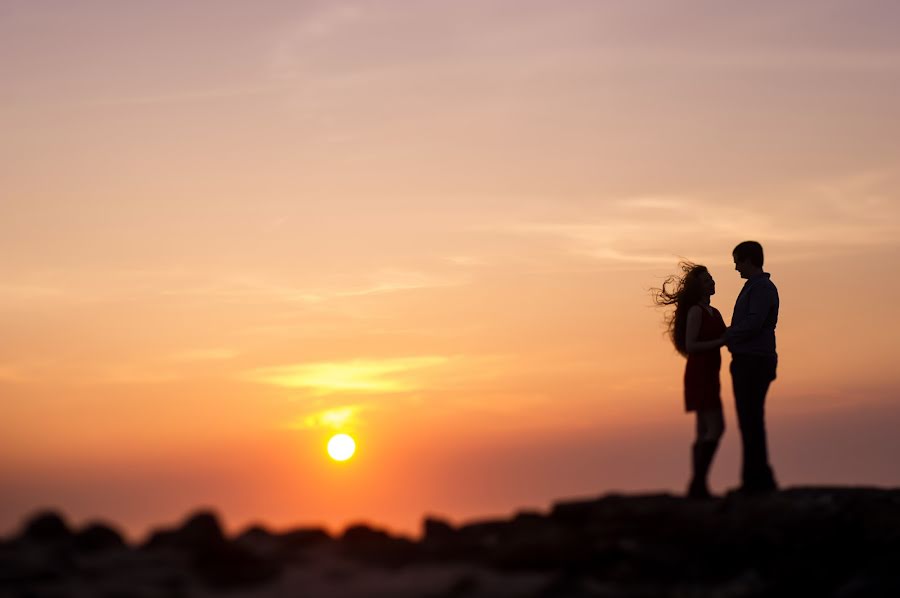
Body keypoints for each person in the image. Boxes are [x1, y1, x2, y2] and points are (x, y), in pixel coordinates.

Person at [654, 262, 727, 498]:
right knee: (716, 428)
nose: (712, 282)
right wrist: (720, 343)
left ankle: (698, 487)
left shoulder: (715, 312)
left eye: (711, 279)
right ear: (699, 287)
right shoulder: (695, 311)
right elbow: (691, 345)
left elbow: (727, 335)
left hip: (712, 373)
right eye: (707, 281)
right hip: (699, 372)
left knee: (704, 431)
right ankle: (697, 483)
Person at [726, 241, 779, 494]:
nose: (736, 267)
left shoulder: (761, 288)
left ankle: (757, 481)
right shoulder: (756, 287)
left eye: (738, 261)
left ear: (749, 260)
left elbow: (754, 323)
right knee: (750, 420)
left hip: (753, 360)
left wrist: (726, 335)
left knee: (751, 420)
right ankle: (756, 478)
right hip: (751, 358)